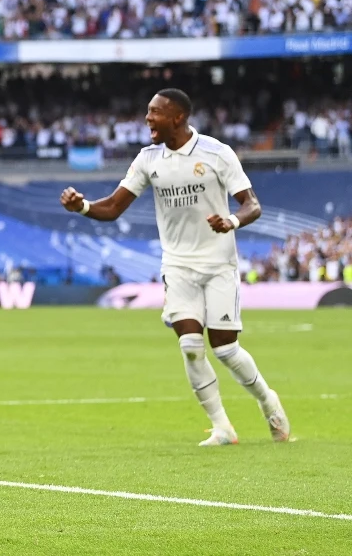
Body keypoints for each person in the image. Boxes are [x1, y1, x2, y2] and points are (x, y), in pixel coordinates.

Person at [60, 88, 290, 447]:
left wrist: (231, 221)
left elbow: (252, 204)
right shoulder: (148, 158)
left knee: (226, 349)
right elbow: (114, 207)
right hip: (178, 265)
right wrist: (84, 207)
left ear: (178, 117)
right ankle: (222, 427)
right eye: (148, 112)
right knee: (191, 345)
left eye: (155, 112)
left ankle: (267, 400)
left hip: (218, 264)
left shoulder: (217, 153)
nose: (148, 118)